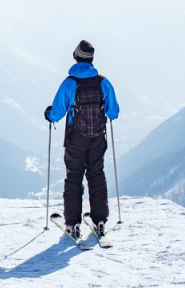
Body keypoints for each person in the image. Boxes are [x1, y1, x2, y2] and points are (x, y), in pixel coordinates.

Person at [44, 40, 119, 240]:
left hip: (75, 140)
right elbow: (114, 112)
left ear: (76, 58)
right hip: (97, 138)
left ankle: (73, 224)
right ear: (92, 59)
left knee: (74, 178)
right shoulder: (103, 82)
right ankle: (100, 220)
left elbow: (58, 111)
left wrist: (49, 114)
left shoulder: (70, 83)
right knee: (97, 176)